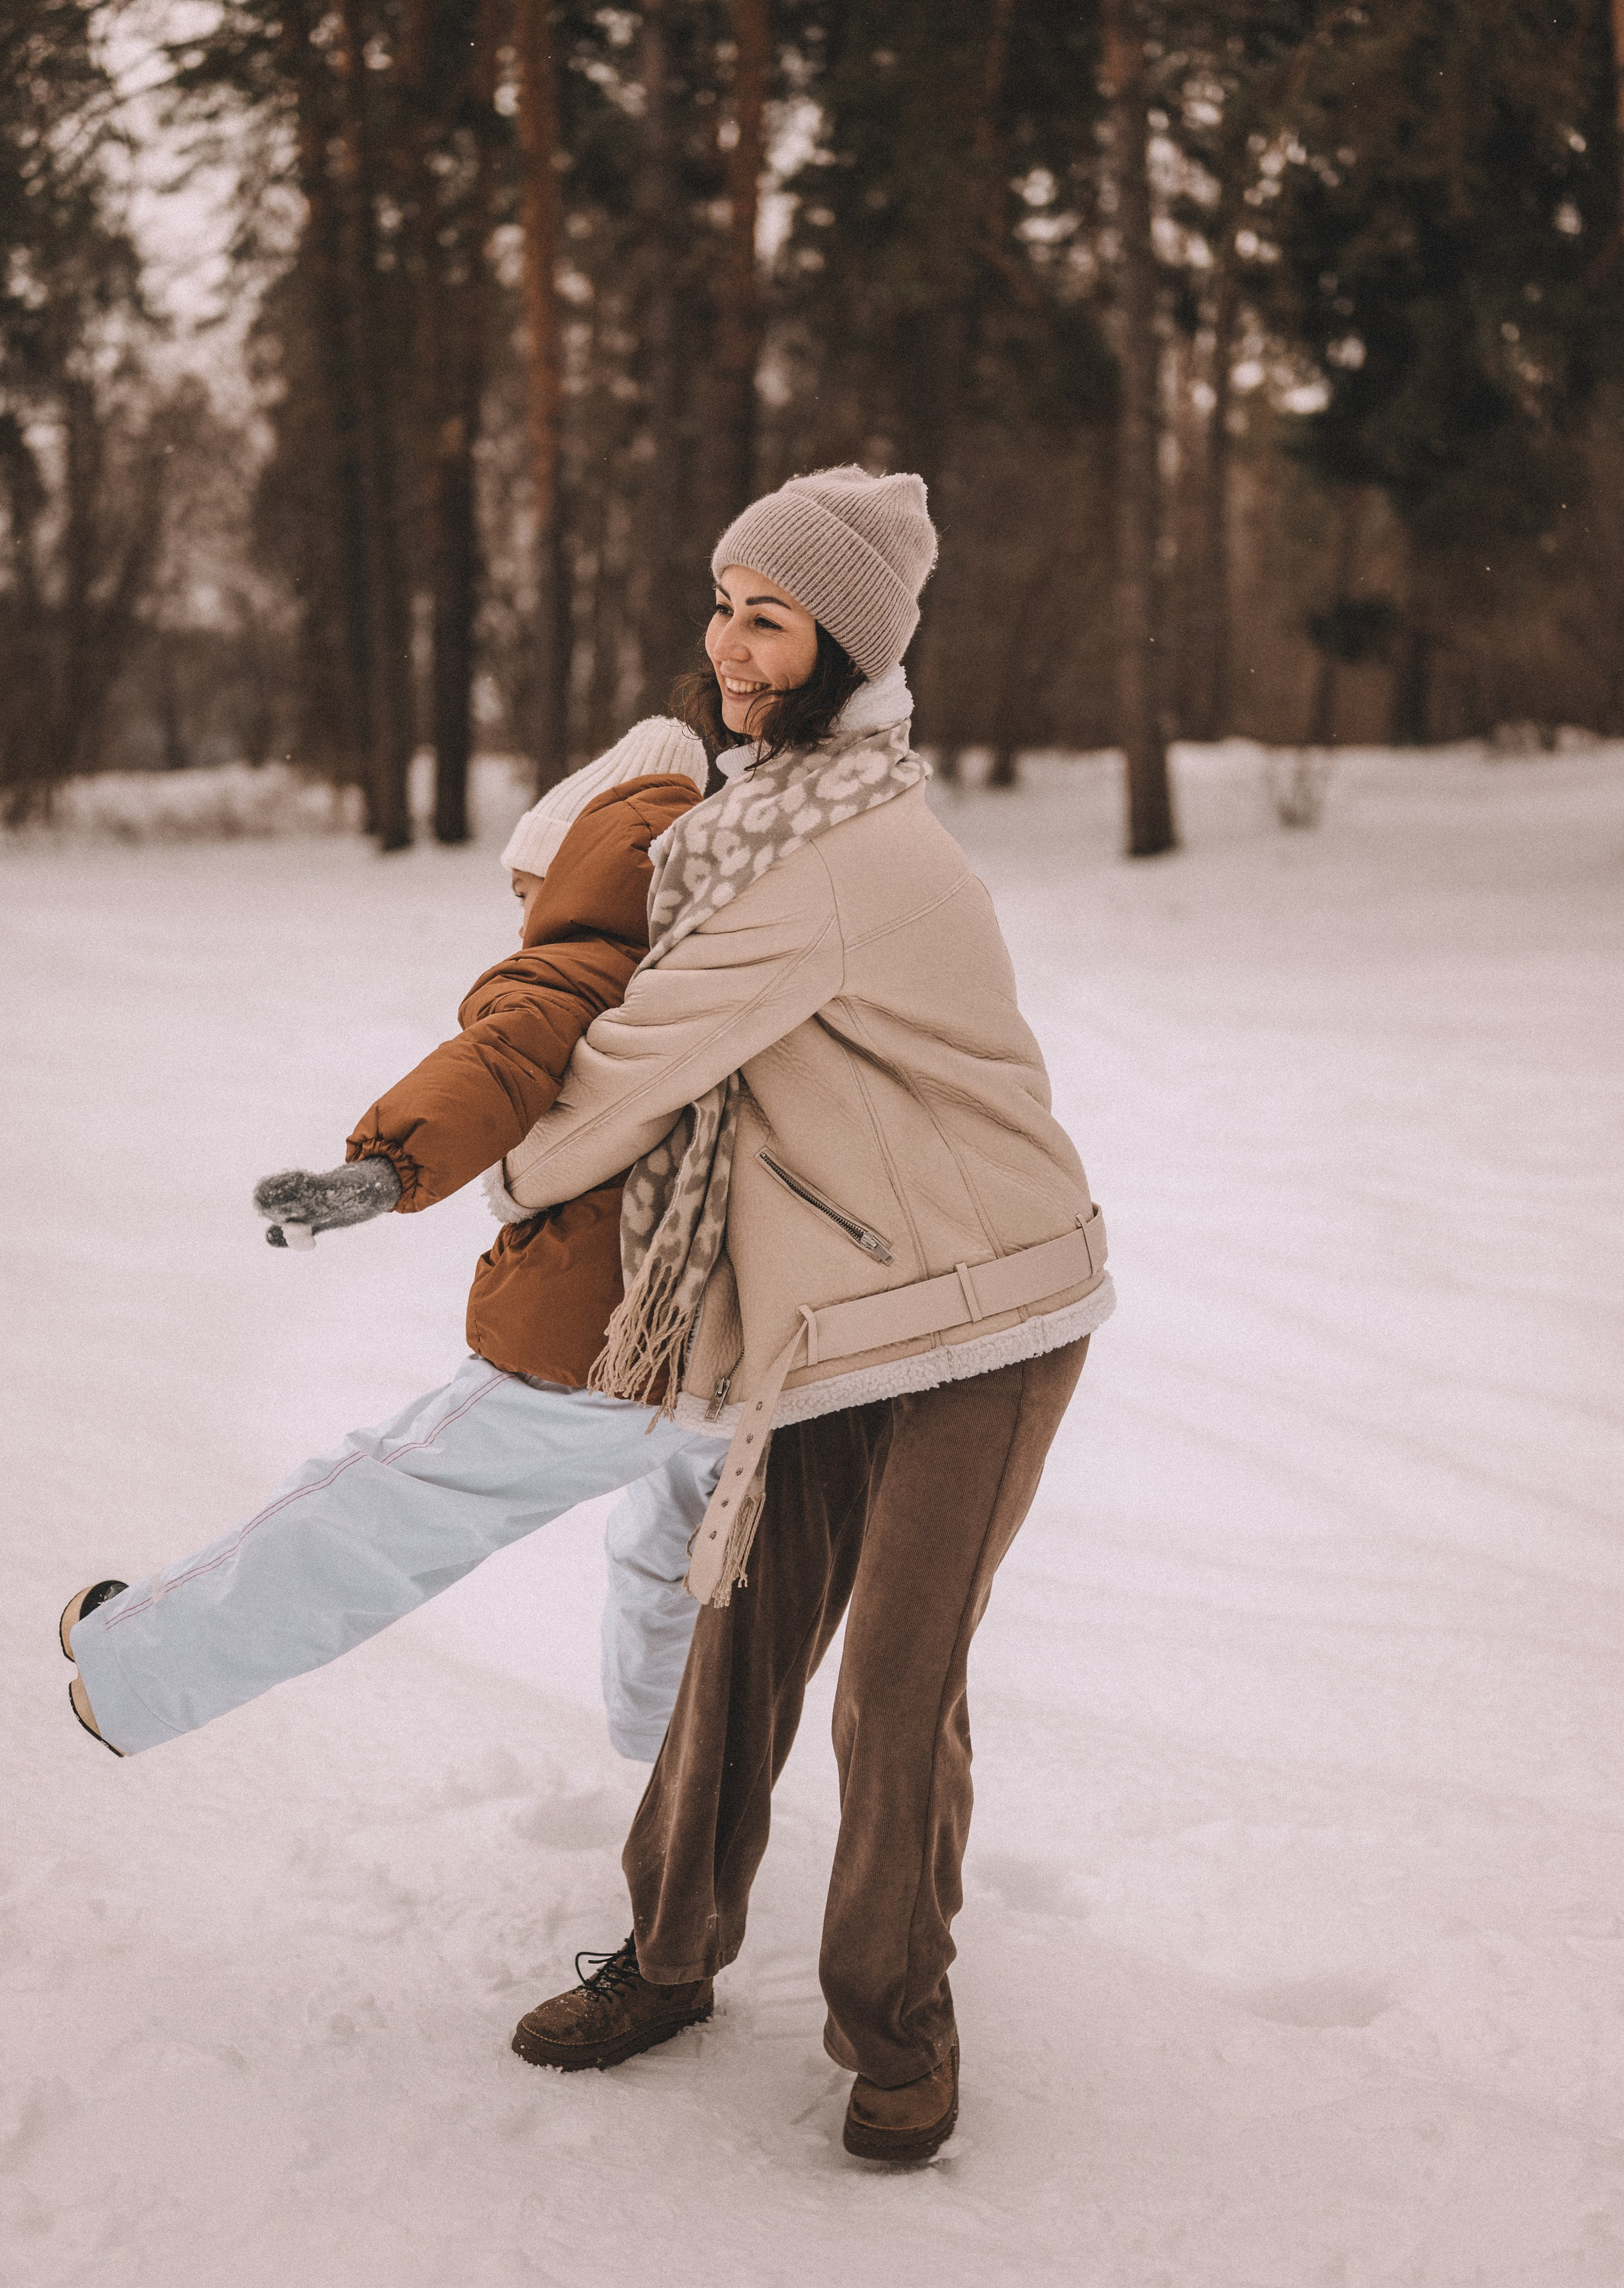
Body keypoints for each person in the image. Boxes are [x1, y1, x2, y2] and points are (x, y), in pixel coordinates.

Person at [497, 465, 1115, 2162]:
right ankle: (669, 1954)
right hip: (845, 1304)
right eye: (721, 602)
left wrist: (507, 1165)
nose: (729, 642)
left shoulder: (836, 853)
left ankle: (899, 2029)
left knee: (896, 1685)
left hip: (989, 1312)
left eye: (768, 615)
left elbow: (636, 1056)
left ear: (845, 646)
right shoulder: (761, 816)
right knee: (742, 1628)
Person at [60, 719, 728, 1763]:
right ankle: (668, 1769)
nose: (521, 915)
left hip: (602, 1335)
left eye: (524, 888)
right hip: (744, 1334)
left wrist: (381, 1169)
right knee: (680, 1551)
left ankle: (142, 1665)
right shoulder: (720, 952)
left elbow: (501, 1060)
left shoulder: (585, 954)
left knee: (398, 1501)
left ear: (577, 868)